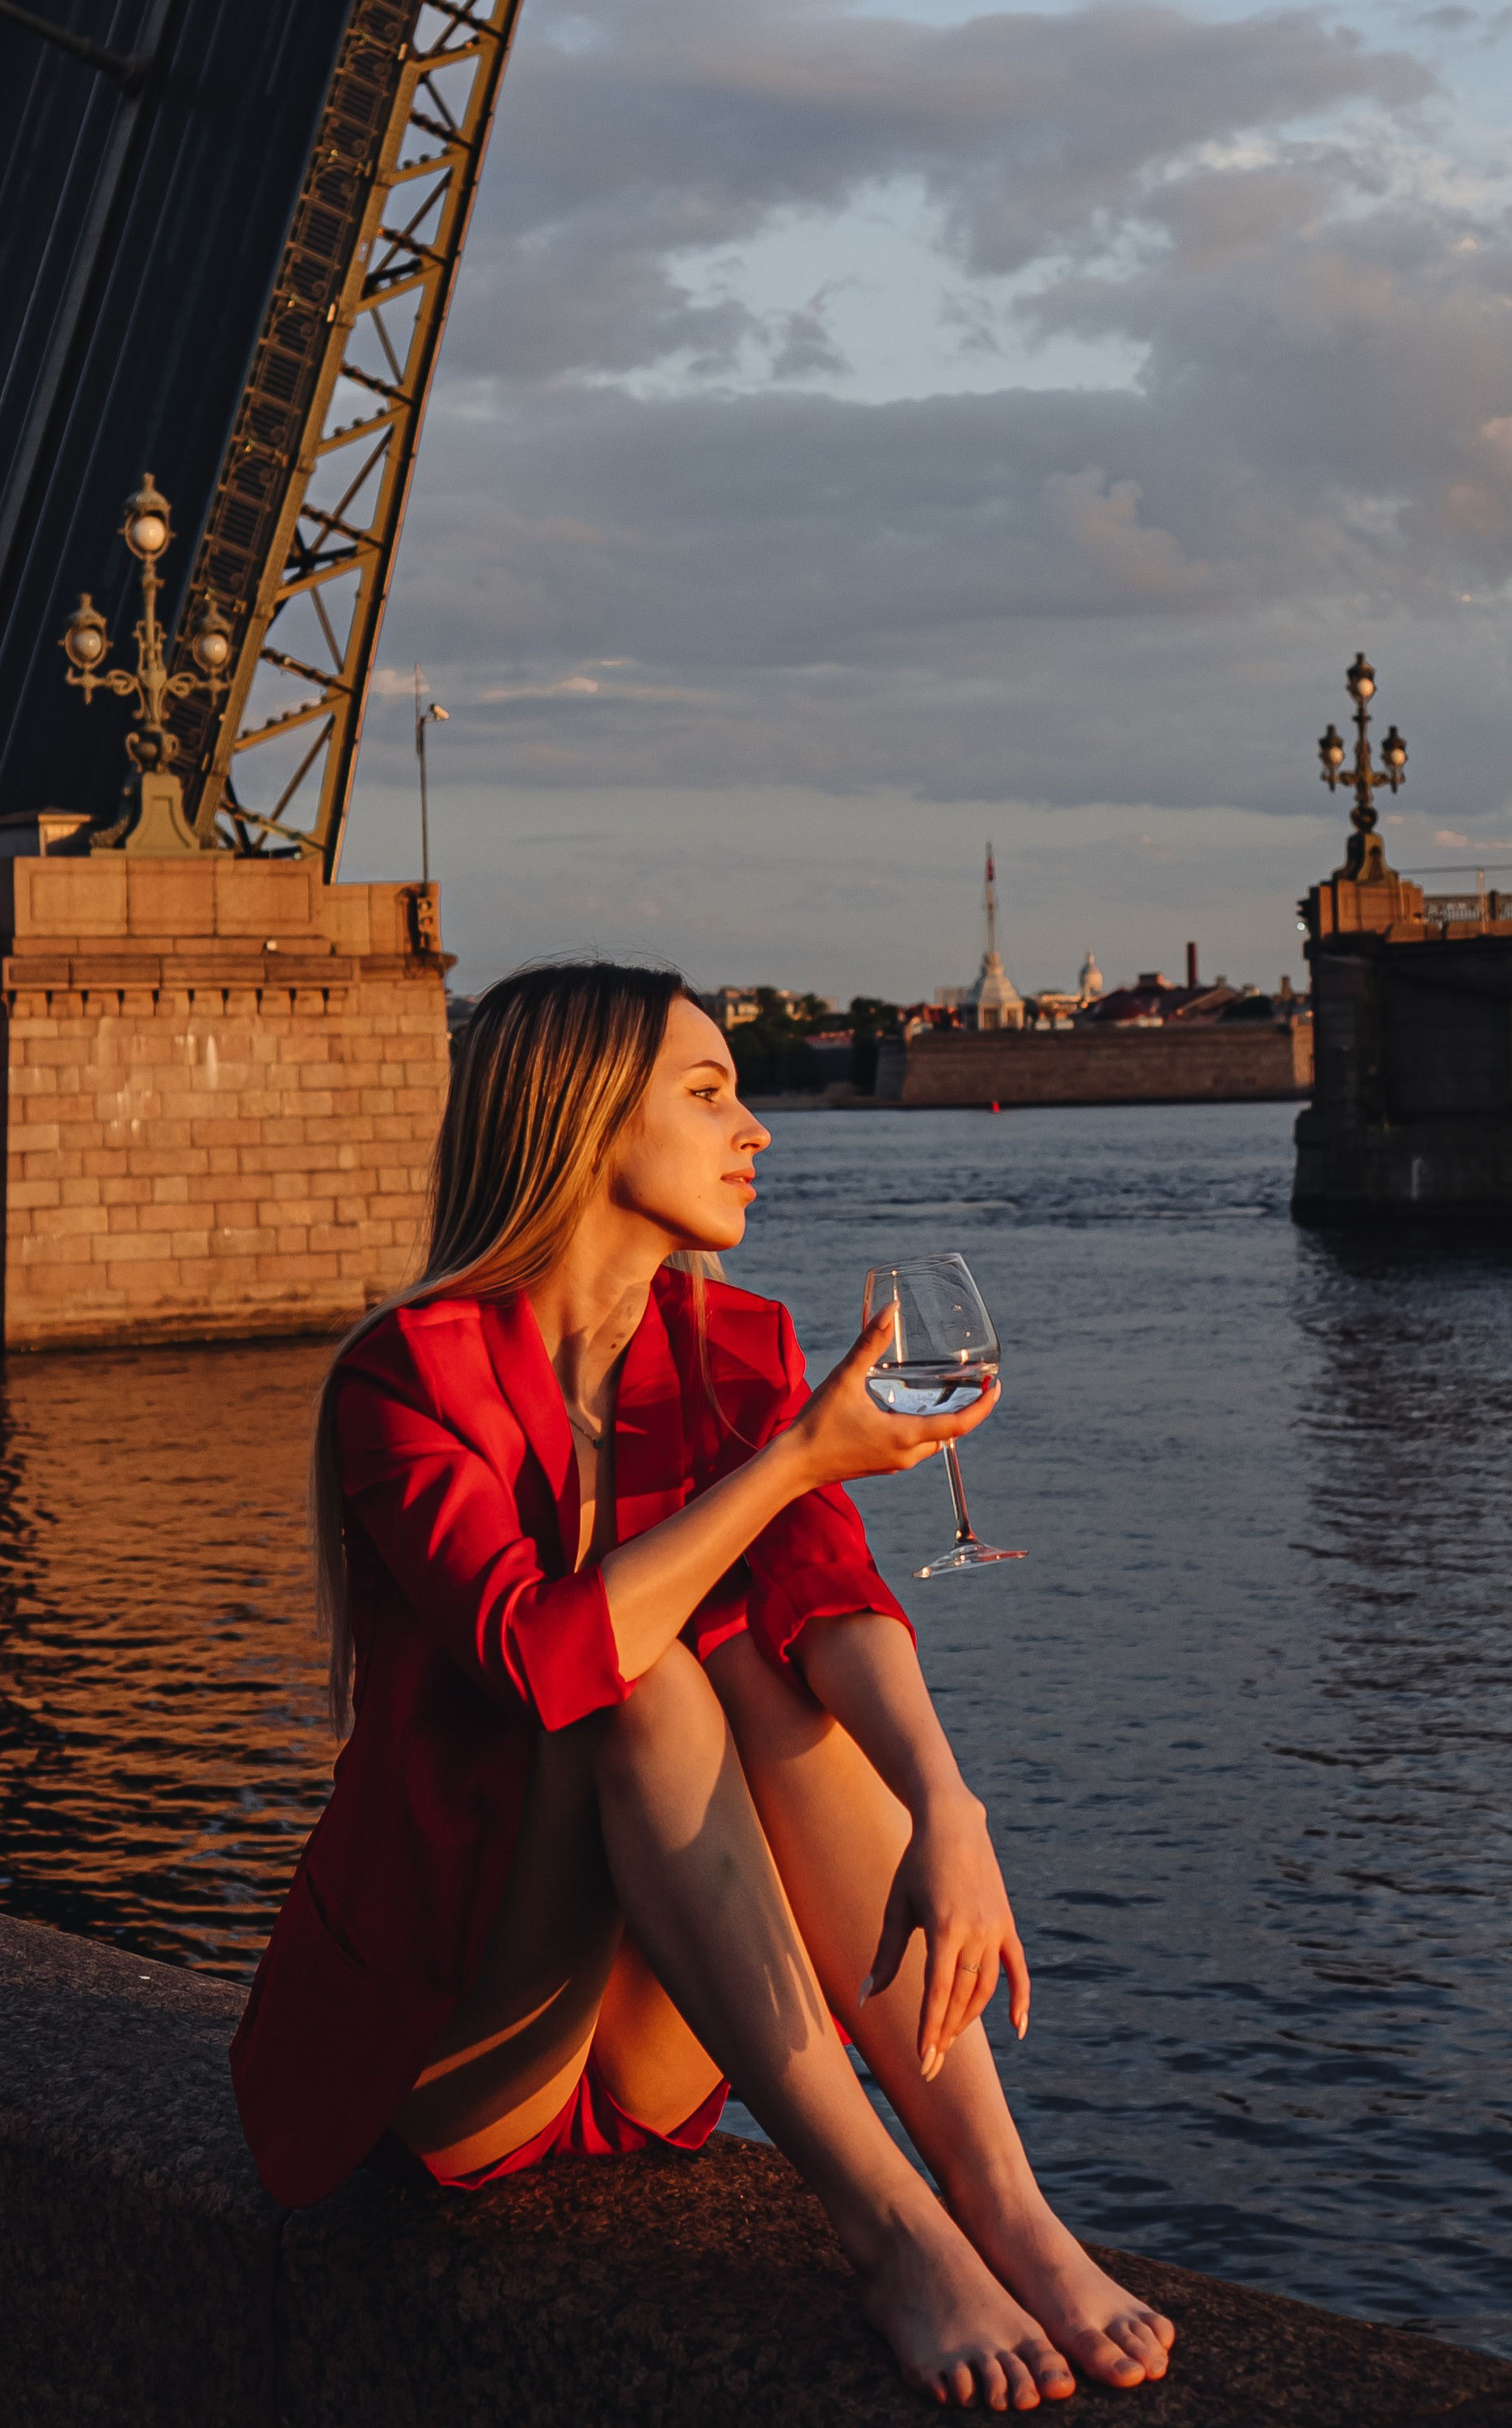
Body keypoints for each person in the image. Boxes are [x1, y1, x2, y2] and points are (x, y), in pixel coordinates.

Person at [231, 961, 1172, 2412]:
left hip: (663, 2047)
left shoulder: (726, 1347)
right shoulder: (406, 1378)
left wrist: (949, 1804)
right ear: (589, 1120)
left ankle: (1010, 2211)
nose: (759, 1130)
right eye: (711, 1092)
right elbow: (538, 1655)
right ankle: (893, 2234)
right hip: (466, 2043)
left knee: (764, 1669)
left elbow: (831, 1602)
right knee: (651, 1682)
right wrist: (798, 1456)